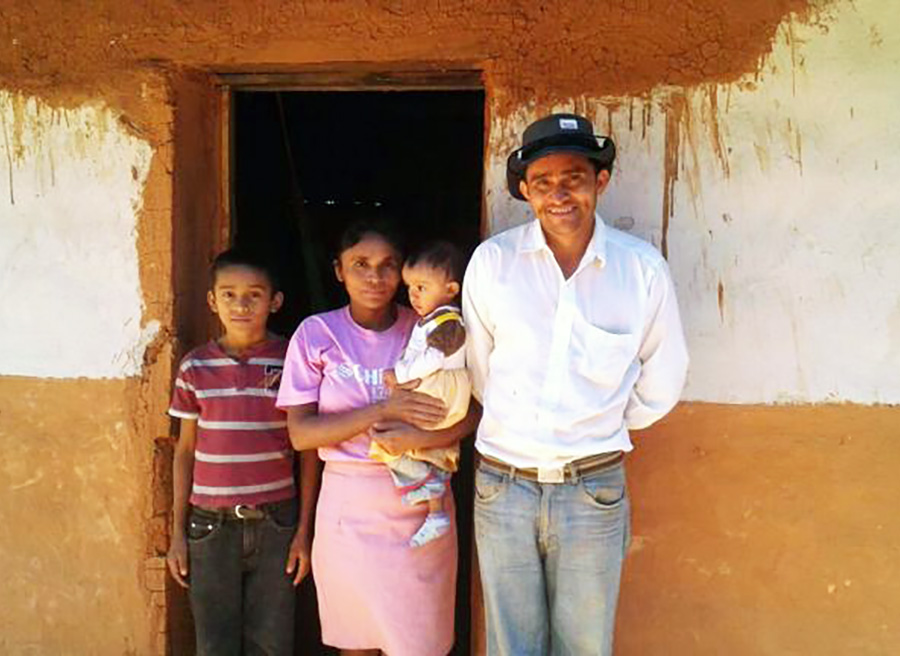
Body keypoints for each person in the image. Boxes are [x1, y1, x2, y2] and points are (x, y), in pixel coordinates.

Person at [463, 113, 689, 656]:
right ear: (525, 190)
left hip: (593, 489)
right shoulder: (493, 264)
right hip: (504, 487)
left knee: (585, 645)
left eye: (574, 179)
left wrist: (596, 423)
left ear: (599, 181)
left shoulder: (640, 271)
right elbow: (481, 371)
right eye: (543, 182)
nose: (559, 195)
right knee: (511, 644)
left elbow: (663, 376)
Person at [277, 220, 478, 656]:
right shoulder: (316, 334)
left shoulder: (430, 329)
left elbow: (474, 413)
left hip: (422, 509)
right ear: (338, 270)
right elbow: (301, 434)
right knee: (356, 643)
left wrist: (417, 440)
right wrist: (381, 411)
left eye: (388, 265)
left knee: (420, 644)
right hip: (347, 511)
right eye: (360, 264)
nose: (375, 276)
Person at [166, 249, 310, 656]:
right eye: (228, 294)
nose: (241, 305)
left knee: (272, 643)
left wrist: (303, 530)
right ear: (212, 301)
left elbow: (308, 450)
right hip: (209, 526)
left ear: (275, 301)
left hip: (277, 522)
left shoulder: (291, 360)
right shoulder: (195, 367)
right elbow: (185, 451)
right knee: (215, 644)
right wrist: (177, 533)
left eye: (254, 295)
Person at [370, 241, 471, 547]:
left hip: (440, 390)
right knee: (420, 448)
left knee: (387, 435)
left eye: (422, 287)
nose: (413, 295)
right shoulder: (432, 319)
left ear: (451, 289)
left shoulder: (449, 322)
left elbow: (434, 359)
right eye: (410, 287)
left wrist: (400, 375)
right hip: (435, 385)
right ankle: (434, 508)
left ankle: (428, 486)